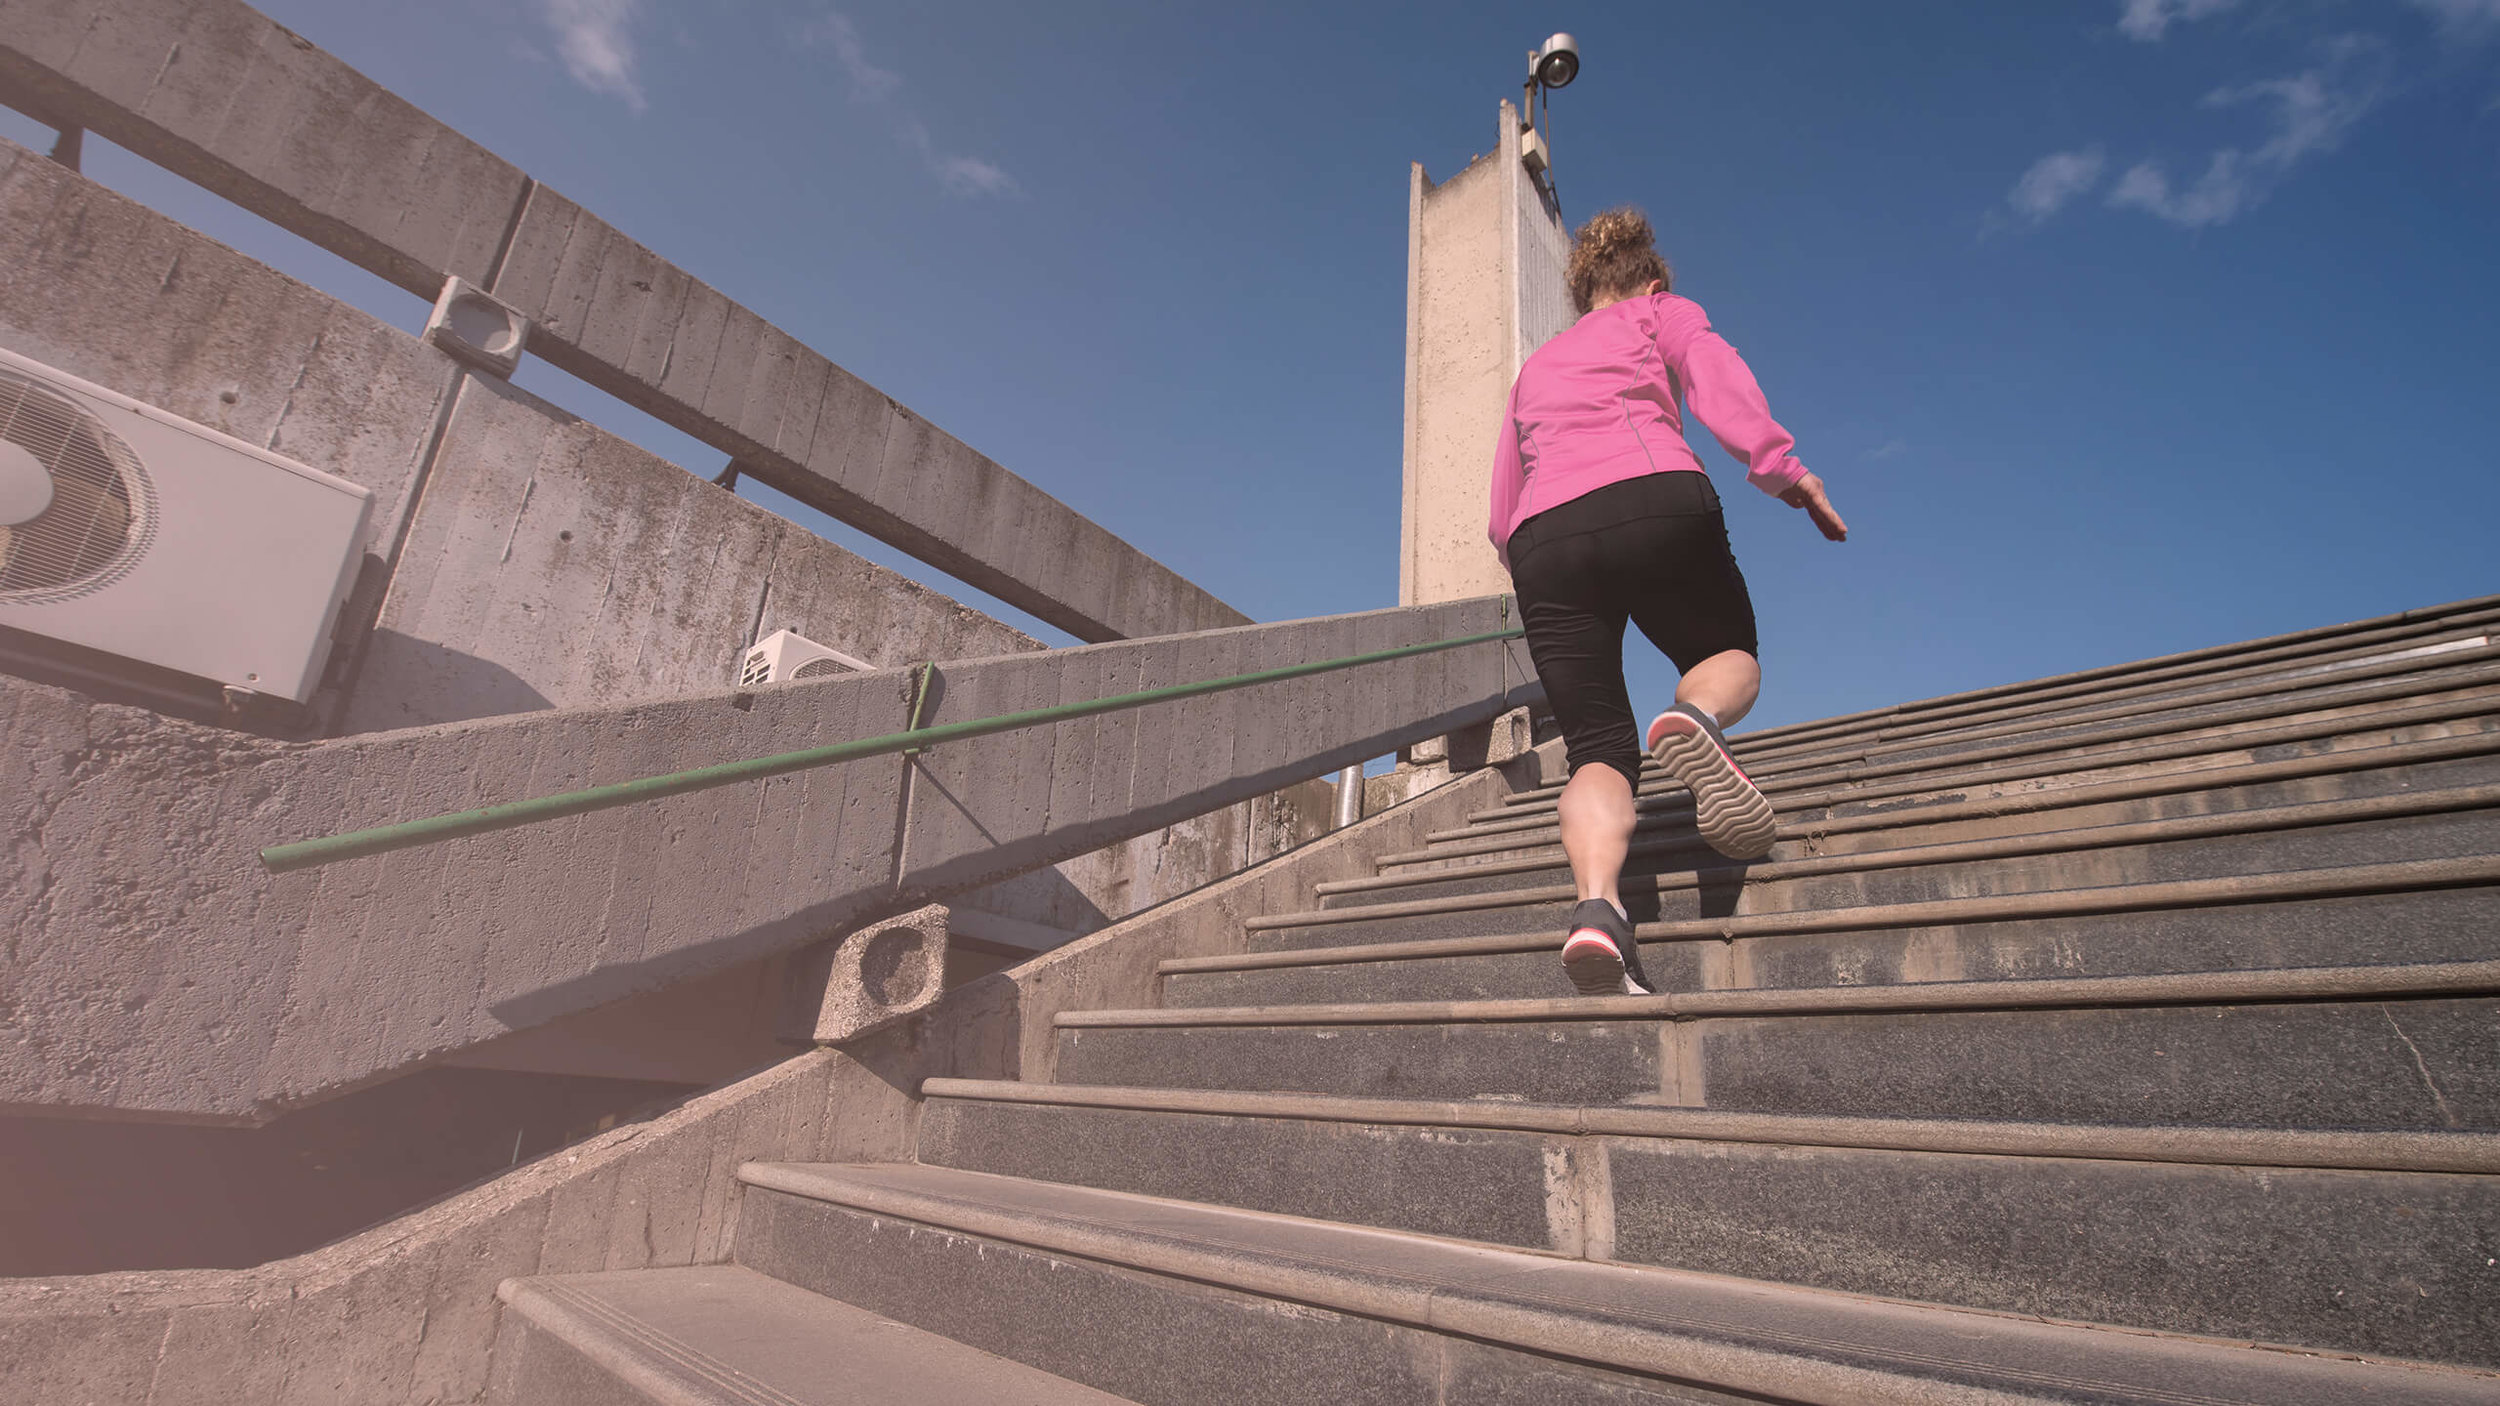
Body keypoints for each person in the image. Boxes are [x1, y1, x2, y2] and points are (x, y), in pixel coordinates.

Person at [1488, 207, 1847, 997]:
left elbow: (1500, 503)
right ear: (1647, 281)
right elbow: (1717, 379)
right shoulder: (1661, 312)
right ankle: (1697, 718)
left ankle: (1596, 910)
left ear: (1584, 297)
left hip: (1543, 536)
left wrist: (1534, 562)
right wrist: (1783, 469)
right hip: (1650, 492)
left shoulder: (1537, 367)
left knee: (1598, 751)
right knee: (1728, 656)